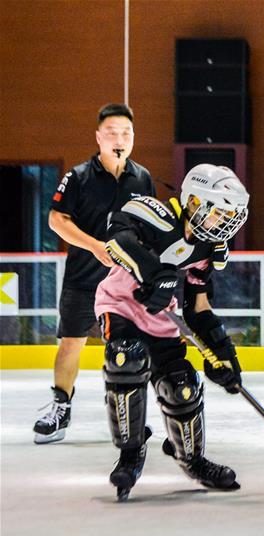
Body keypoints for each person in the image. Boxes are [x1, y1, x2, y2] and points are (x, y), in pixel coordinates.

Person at [96, 163, 249, 500]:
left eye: (230, 216)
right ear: (194, 202)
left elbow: (199, 307)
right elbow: (117, 239)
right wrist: (155, 274)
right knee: (125, 357)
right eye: (219, 213)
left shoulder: (209, 250)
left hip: (161, 321)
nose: (224, 223)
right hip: (120, 305)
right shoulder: (156, 215)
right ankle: (130, 453)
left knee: (182, 388)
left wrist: (222, 353)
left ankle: (192, 459)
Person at [33, 103, 155, 444]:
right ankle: (60, 407)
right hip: (83, 279)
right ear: (99, 136)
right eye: (113, 132)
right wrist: (94, 247)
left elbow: (152, 227)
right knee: (71, 343)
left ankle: (127, 415)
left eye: (126, 133)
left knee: (127, 349)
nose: (120, 139)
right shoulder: (79, 176)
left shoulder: (141, 178)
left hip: (124, 286)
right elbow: (56, 220)